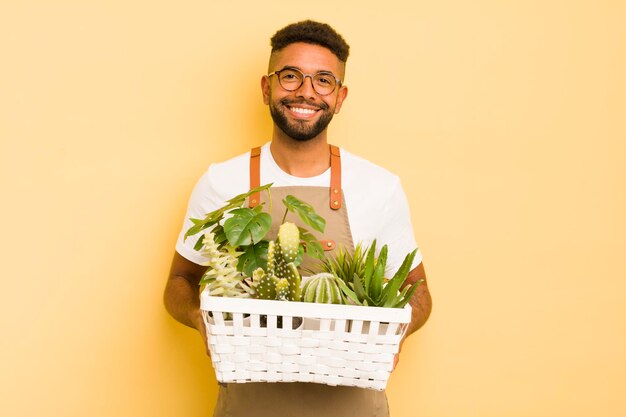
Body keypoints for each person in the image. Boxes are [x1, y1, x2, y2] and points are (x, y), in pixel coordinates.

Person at [164, 20, 432, 417]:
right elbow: (179, 282)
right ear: (266, 87)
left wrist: (393, 335)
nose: (306, 91)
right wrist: (199, 317)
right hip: (248, 407)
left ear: (340, 98)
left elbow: (419, 293)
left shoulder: (379, 186)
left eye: (323, 80)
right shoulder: (222, 181)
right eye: (291, 76)